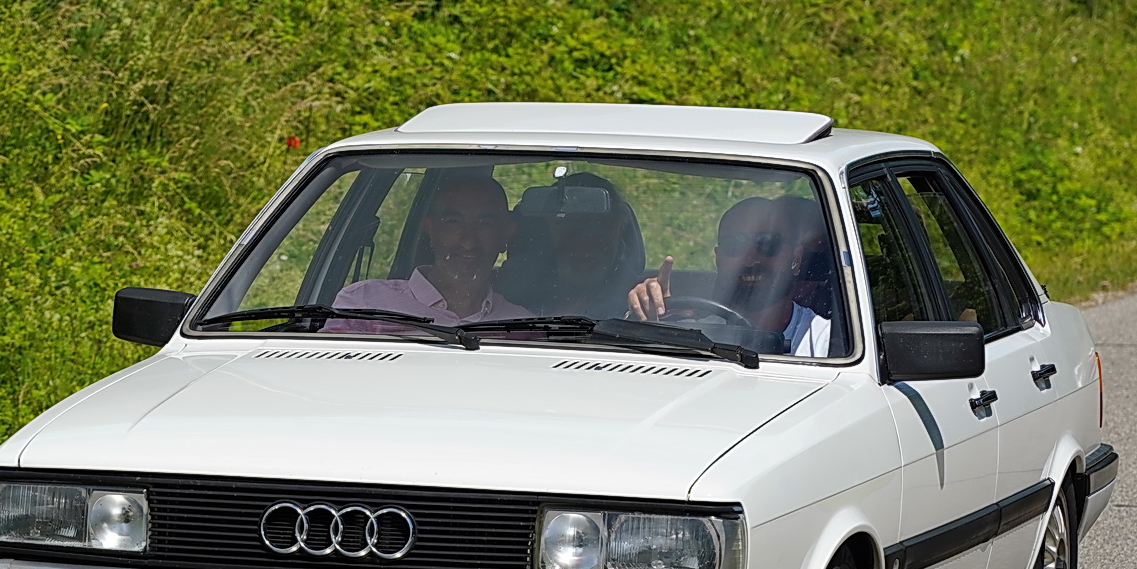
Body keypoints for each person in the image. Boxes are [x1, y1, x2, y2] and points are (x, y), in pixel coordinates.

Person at [626, 195, 833, 357]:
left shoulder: (827, 343)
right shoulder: (691, 334)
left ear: (795, 258)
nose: (750, 259)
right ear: (718, 259)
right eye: (734, 245)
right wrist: (653, 320)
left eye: (768, 243)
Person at [330, 172, 531, 326]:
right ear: (430, 229)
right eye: (453, 222)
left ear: (506, 235)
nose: (468, 242)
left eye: (485, 223)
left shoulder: (523, 326)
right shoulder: (363, 304)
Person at [497, 172, 647, 319]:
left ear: (618, 231)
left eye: (597, 226)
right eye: (569, 226)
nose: (584, 242)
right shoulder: (503, 295)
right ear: (544, 233)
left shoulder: (637, 301)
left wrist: (652, 306)